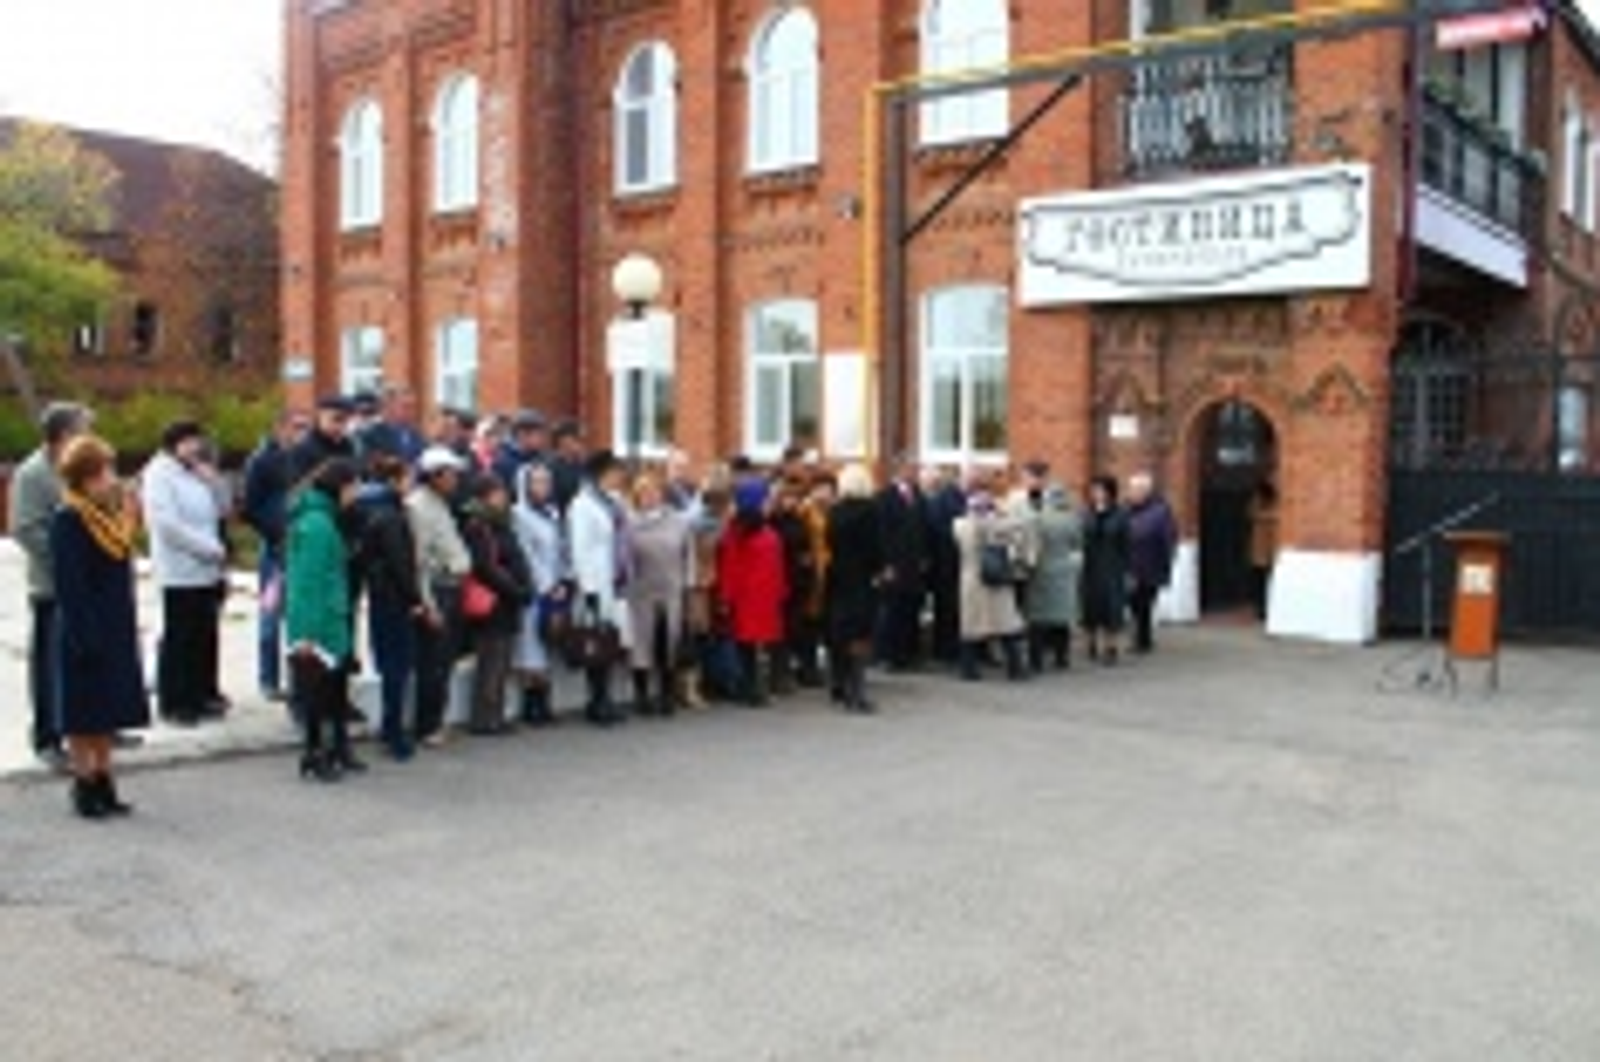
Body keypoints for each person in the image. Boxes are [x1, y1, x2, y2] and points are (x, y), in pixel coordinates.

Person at [50, 434, 148, 818]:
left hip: (114, 623)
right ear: (85, 477)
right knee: (83, 711)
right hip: (84, 625)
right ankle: (84, 780)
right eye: (104, 472)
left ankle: (105, 777)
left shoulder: (108, 516)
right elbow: (70, 584)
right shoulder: (69, 519)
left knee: (107, 709)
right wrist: (84, 633)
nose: (111, 479)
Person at [9, 401, 92, 770]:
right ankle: (47, 736)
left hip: (87, 584)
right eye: (83, 430)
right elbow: (26, 529)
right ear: (64, 434)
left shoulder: (79, 469)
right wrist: (68, 560)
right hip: (52, 586)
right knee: (49, 665)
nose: (89, 437)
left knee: (87, 660)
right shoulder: (34, 474)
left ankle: (94, 726)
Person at [143, 420, 229, 727]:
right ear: (174, 444)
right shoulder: (159, 475)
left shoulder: (195, 472)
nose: (196, 448)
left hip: (208, 568)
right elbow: (167, 525)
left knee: (204, 634)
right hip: (179, 568)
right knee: (180, 635)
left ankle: (202, 692)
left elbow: (223, 509)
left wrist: (214, 483)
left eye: (198, 442)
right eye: (190, 442)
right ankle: (176, 700)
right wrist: (207, 548)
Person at [286, 458, 365, 782]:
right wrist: (306, 633)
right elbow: (308, 582)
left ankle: (336, 748)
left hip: (332, 616)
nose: (356, 494)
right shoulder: (317, 525)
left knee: (334, 690)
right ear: (340, 487)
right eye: (353, 487)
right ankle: (314, 752)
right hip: (319, 622)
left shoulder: (325, 519)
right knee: (318, 693)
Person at [358, 454, 431, 761]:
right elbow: (400, 563)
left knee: (390, 664)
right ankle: (393, 731)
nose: (411, 484)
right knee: (396, 668)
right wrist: (415, 599)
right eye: (407, 478)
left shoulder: (372, 509)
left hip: (381, 595)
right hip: (394, 598)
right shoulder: (390, 515)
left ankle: (392, 727)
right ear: (394, 481)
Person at [408, 446, 473, 747]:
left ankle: (436, 720)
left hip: (452, 585)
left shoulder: (440, 504)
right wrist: (428, 604)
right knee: (433, 663)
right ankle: (428, 726)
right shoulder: (419, 507)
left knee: (444, 662)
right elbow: (419, 562)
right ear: (434, 475)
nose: (455, 479)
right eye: (450, 474)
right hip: (438, 589)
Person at [242, 409, 308, 703]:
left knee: (299, 615)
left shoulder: (303, 459)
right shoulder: (261, 461)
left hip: (302, 545)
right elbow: (250, 507)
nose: (301, 433)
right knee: (270, 615)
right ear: (280, 427)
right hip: (275, 549)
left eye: (305, 427)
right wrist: (274, 531)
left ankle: (298, 678)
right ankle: (268, 678)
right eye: (296, 426)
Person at [461, 473, 534, 735]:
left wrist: (523, 586)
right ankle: (484, 717)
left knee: (502, 661)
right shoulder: (478, 526)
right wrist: (515, 589)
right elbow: (486, 567)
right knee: (491, 660)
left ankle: (496, 713)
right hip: (493, 601)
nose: (503, 497)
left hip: (507, 600)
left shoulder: (503, 523)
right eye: (497, 493)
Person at [569, 449, 630, 727]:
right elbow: (580, 549)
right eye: (615, 472)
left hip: (614, 580)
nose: (620, 477)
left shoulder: (614, 502)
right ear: (601, 474)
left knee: (611, 642)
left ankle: (606, 697)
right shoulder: (582, 505)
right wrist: (588, 588)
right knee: (595, 642)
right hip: (595, 582)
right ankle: (596, 700)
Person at [625, 474, 694, 717]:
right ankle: (641, 695)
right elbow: (624, 560)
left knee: (668, 644)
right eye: (643, 492)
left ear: (661, 494)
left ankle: (666, 694)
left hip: (671, 590)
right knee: (641, 646)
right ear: (636, 497)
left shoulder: (678, 521)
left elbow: (688, 556)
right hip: (640, 592)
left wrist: (688, 586)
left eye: (653, 491)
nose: (649, 496)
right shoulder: (629, 523)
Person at [717, 480, 788, 708]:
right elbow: (730, 568)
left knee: (759, 644)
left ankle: (756, 686)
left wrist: (781, 589)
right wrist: (726, 598)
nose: (769, 504)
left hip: (766, 595)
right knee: (747, 644)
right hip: (748, 597)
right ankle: (750, 688)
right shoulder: (737, 532)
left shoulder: (764, 528)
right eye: (766, 500)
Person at [825, 464, 886, 713]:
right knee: (860, 634)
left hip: (838, 577)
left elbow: (830, 542)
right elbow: (876, 547)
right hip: (862, 579)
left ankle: (838, 682)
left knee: (839, 631)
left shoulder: (835, 512)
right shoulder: (871, 512)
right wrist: (881, 569)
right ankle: (856, 690)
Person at [512, 462, 568, 727]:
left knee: (547, 645)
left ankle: (544, 701)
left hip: (554, 588)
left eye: (546, 481)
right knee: (530, 648)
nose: (543, 486)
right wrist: (545, 585)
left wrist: (562, 580)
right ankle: (530, 703)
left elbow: (559, 549)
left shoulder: (553, 513)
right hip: (533, 590)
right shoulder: (519, 514)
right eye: (537, 481)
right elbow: (526, 555)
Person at [953, 491, 1030, 682]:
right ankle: (1015, 668)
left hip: (972, 580)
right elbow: (1020, 526)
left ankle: (968, 669)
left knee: (971, 627)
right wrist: (1002, 512)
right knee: (1007, 625)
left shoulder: (960, 525)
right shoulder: (992, 526)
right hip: (996, 578)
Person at [875, 455, 928, 670]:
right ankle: (891, 655)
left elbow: (924, 529)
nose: (915, 473)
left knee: (912, 609)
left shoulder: (919, 496)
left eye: (916, 469)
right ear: (900, 470)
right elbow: (882, 533)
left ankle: (910, 654)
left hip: (914, 564)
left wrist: (924, 557)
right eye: (912, 469)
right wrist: (886, 563)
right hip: (895, 564)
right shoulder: (885, 497)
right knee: (893, 610)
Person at [1023, 485, 1084, 670]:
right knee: (1061, 617)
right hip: (1064, 571)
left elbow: (1031, 546)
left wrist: (1027, 567)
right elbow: (1078, 545)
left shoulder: (1037, 519)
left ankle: (1036, 660)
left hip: (1041, 571)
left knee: (1037, 618)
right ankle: (1061, 658)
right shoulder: (1073, 519)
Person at [1081, 475, 1132, 665]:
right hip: (1090, 567)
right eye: (1094, 490)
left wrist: (1128, 569)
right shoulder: (1086, 513)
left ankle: (1111, 647)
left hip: (1112, 567)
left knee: (1112, 608)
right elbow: (1080, 538)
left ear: (1110, 492)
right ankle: (1091, 643)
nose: (1096, 494)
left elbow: (1127, 543)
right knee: (1090, 606)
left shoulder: (1121, 514)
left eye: (1100, 490)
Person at [1126, 471, 1179, 655]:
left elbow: (1169, 538)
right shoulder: (1127, 509)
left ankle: (1143, 639)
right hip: (1131, 564)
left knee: (1144, 603)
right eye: (1131, 489)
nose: (1131, 493)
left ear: (1145, 491)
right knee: (1134, 603)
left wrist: (1168, 560)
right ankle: (1142, 638)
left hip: (1151, 564)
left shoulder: (1160, 511)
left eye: (1135, 489)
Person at [921, 465, 965, 667]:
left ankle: (943, 649)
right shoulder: (946, 500)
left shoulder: (938, 501)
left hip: (940, 563)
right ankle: (946, 649)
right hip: (944, 563)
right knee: (947, 608)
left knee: (944, 608)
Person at [287, 395, 357, 484]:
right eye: (336, 419)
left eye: (347, 421)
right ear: (320, 416)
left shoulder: (347, 444)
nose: (342, 427)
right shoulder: (304, 447)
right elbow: (298, 485)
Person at [357, 386, 426, 465]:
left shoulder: (417, 434)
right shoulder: (371, 435)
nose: (411, 412)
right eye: (406, 407)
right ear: (388, 406)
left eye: (413, 407)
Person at [491, 409, 549, 491]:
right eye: (538, 434)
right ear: (521, 434)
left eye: (542, 434)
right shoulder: (503, 462)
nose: (541, 438)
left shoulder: (543, 458)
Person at [1248, 481, 1280, 622]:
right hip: (1261, 552)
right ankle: (1261, 610)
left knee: (1267, 581)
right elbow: (1252, 513)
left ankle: (1265, 609)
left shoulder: (1276, 503)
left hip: (1268, 551)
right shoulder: (1258, 502)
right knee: (1260, 582)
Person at [548, 420, 586, 512]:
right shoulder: (550, 467)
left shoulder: (583, 465)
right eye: (577, 439)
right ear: (563, 441)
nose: (581, 444)